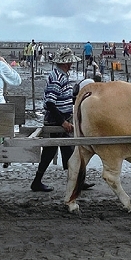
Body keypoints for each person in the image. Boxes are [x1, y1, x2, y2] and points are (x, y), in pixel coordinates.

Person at [31, 48, 88, 192]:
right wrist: (63, 122)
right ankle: (37, 182)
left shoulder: (62, 75)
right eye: (69, 62)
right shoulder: (57, 77)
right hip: (56, 120)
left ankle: (78, 181)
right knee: (52, 151)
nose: (71, 65)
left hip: (62, 117)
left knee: (68, 150)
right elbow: (50, 103)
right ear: (66, 63)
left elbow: (64, 97)